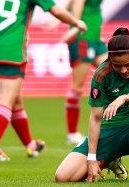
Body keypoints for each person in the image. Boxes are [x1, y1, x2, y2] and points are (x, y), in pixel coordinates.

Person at [0, 0, 87, 161]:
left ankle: (30, 144)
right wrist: (77, 22)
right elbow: (57, 11)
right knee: (6, 98)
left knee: (15, 100)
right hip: (12, 50)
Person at [55, 27, 129, 182]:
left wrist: (126, 97)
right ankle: (110, 159)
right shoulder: (101, 74)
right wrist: (92, 158)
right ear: (109, 59)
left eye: (128, 64)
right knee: (62, 177)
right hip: (109, 132)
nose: (123, 70)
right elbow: (95, 118)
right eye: (117, 65)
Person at [46, 0, 108, 145]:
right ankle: (72, 133)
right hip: (83, 38)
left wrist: (57, 20)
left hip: (95, 39)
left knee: (113, 75)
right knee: (77, 87)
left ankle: (112, 125)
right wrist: (75, 25)